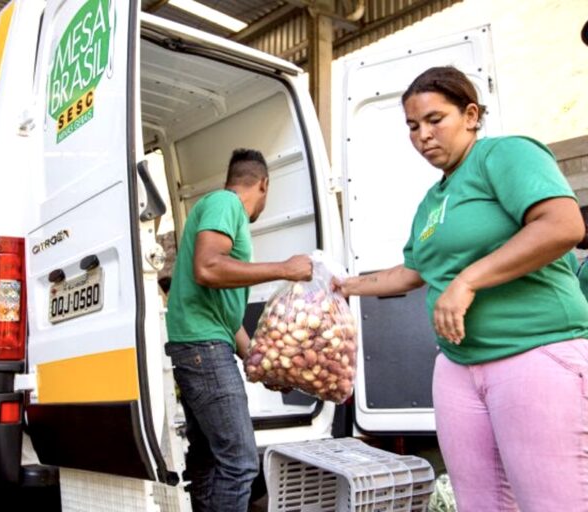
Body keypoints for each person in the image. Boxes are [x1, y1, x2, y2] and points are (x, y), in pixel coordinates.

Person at [334, 66, 588, 511]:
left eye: (435, 120)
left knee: (553, 501)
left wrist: (468, 281)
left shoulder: (505, 155)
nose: (422, 135)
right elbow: (413, 272)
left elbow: (563, 225)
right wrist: (343, 286)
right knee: (480, 502)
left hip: (533, 351)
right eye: (413, 126)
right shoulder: (433, 201)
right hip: (459, 366)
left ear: (471, 114)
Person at [164, 148, 312, 512]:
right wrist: (285, 268)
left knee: (209, 460)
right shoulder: (225, 204)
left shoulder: (221, 210)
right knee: (240, 462)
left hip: (203, 344)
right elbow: (208, 268)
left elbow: (226, 321)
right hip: (205, 350)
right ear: (263, 184)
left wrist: (263, 365)